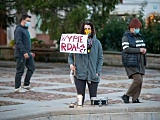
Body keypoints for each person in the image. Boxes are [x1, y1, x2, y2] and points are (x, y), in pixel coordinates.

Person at [68, 21, 103, 105]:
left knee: (94, 99)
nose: (87, 30)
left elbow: (100, 58)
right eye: (85, 29)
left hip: (93, 74)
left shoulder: (97, 43)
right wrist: (71, 64)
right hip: (80, 73)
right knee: (80, 99)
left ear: (92, 30)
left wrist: (97, 71)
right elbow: (70, 56)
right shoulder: (77, 42)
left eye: (89, 29)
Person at [121, 18, 147, 103]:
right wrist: (139, 50)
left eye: (138, 28)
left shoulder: (140, 36)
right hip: (131, 61)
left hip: (141, 61)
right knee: (137, 80)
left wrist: (144, 50)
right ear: (131, 28)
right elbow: (126, 49)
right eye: (136, 28)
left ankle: (135, 98)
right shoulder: (126, 37)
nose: (137, 29)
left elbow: (142, 46)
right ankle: (126, 95)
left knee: (140, 81)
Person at [14, 14, 35, 92]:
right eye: (28, 21)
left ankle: (26, 85)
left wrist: (29, 52)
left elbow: (26, 42)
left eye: (29, 21)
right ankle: (17, 87)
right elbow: (18, 42)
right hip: (21, 54)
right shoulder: (19, 29)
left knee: (32, 67)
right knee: (20, 70)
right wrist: (24, 52)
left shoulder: (25, 29)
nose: (29, 22)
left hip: (27, 53)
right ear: (23, 20)